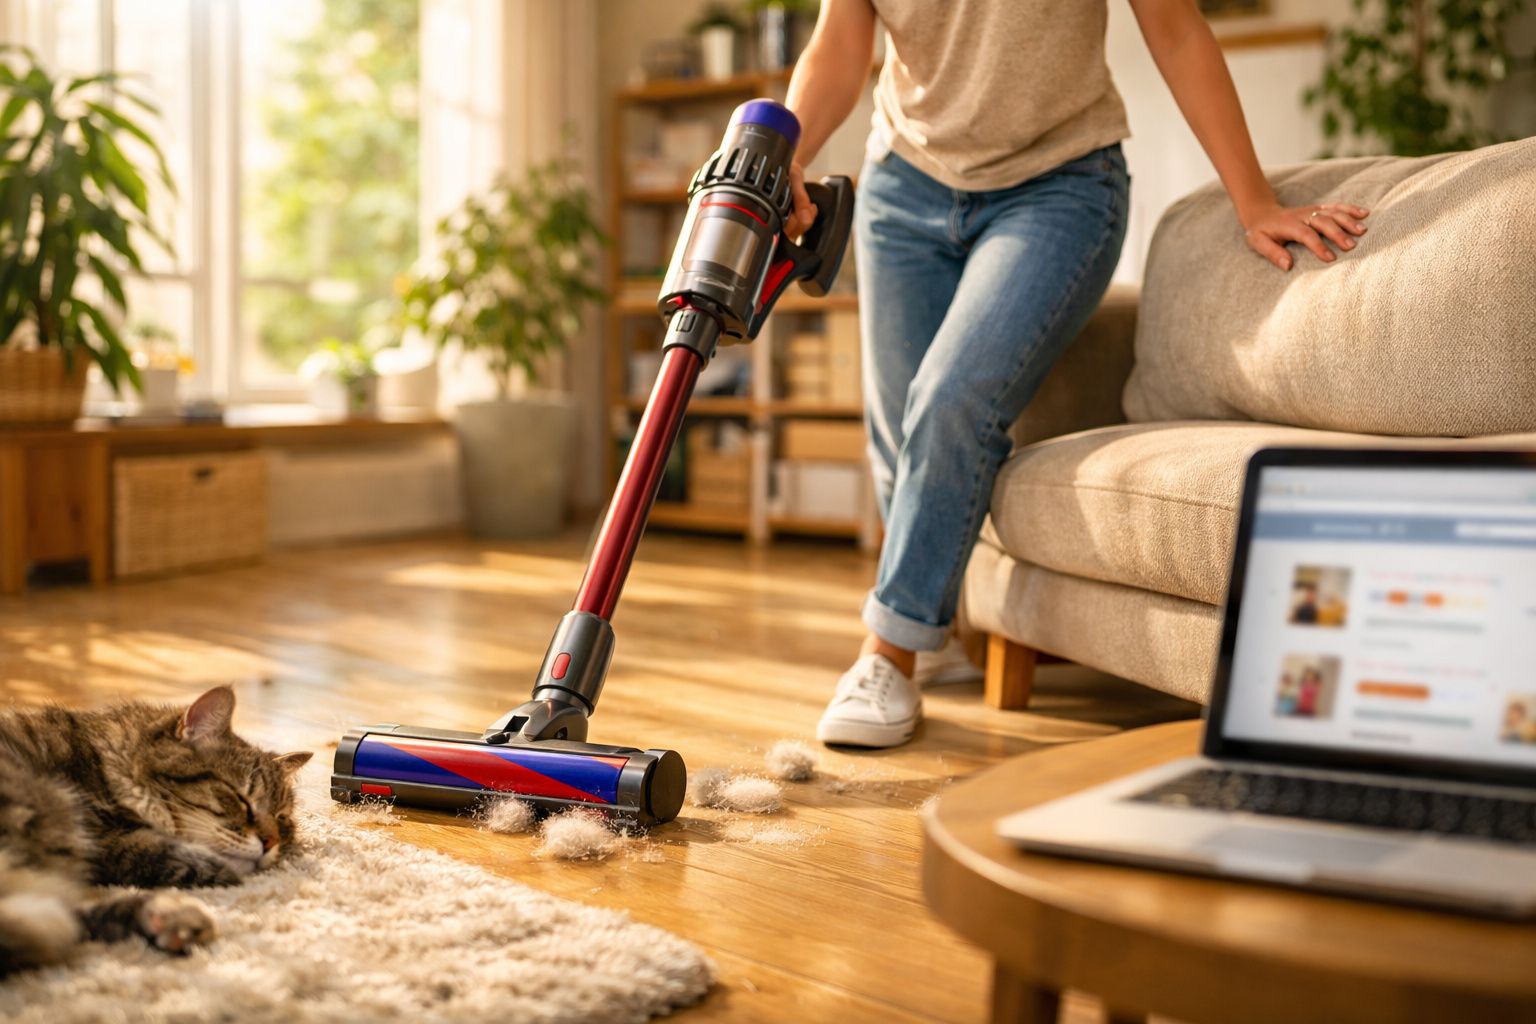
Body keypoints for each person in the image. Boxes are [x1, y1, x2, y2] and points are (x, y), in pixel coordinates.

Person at [788, 0, 1372, 747]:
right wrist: (789, 153)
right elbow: (840, 43)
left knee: (951, 397)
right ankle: (940, 630)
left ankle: (889, 651)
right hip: (903, 184)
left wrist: (1253, 199)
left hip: (1059, 185)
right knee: (898, 427)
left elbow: (1176, 30)